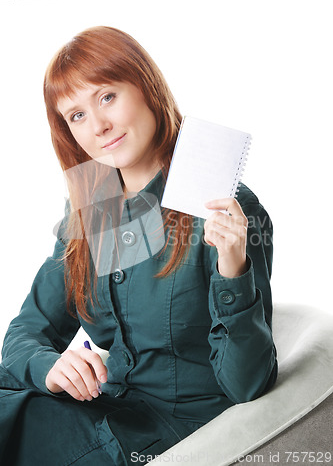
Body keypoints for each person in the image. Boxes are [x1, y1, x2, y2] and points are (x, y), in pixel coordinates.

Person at [0, 26, 278, 465]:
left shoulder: (224, 205)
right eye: (76, 116)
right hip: (104, 411)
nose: (99, 126)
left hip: (168, 435)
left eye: (107, 97)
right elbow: (23, 334)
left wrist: (233, 270)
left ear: (147, 86)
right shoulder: (97, 206)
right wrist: (50, 368)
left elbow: (247, 385)